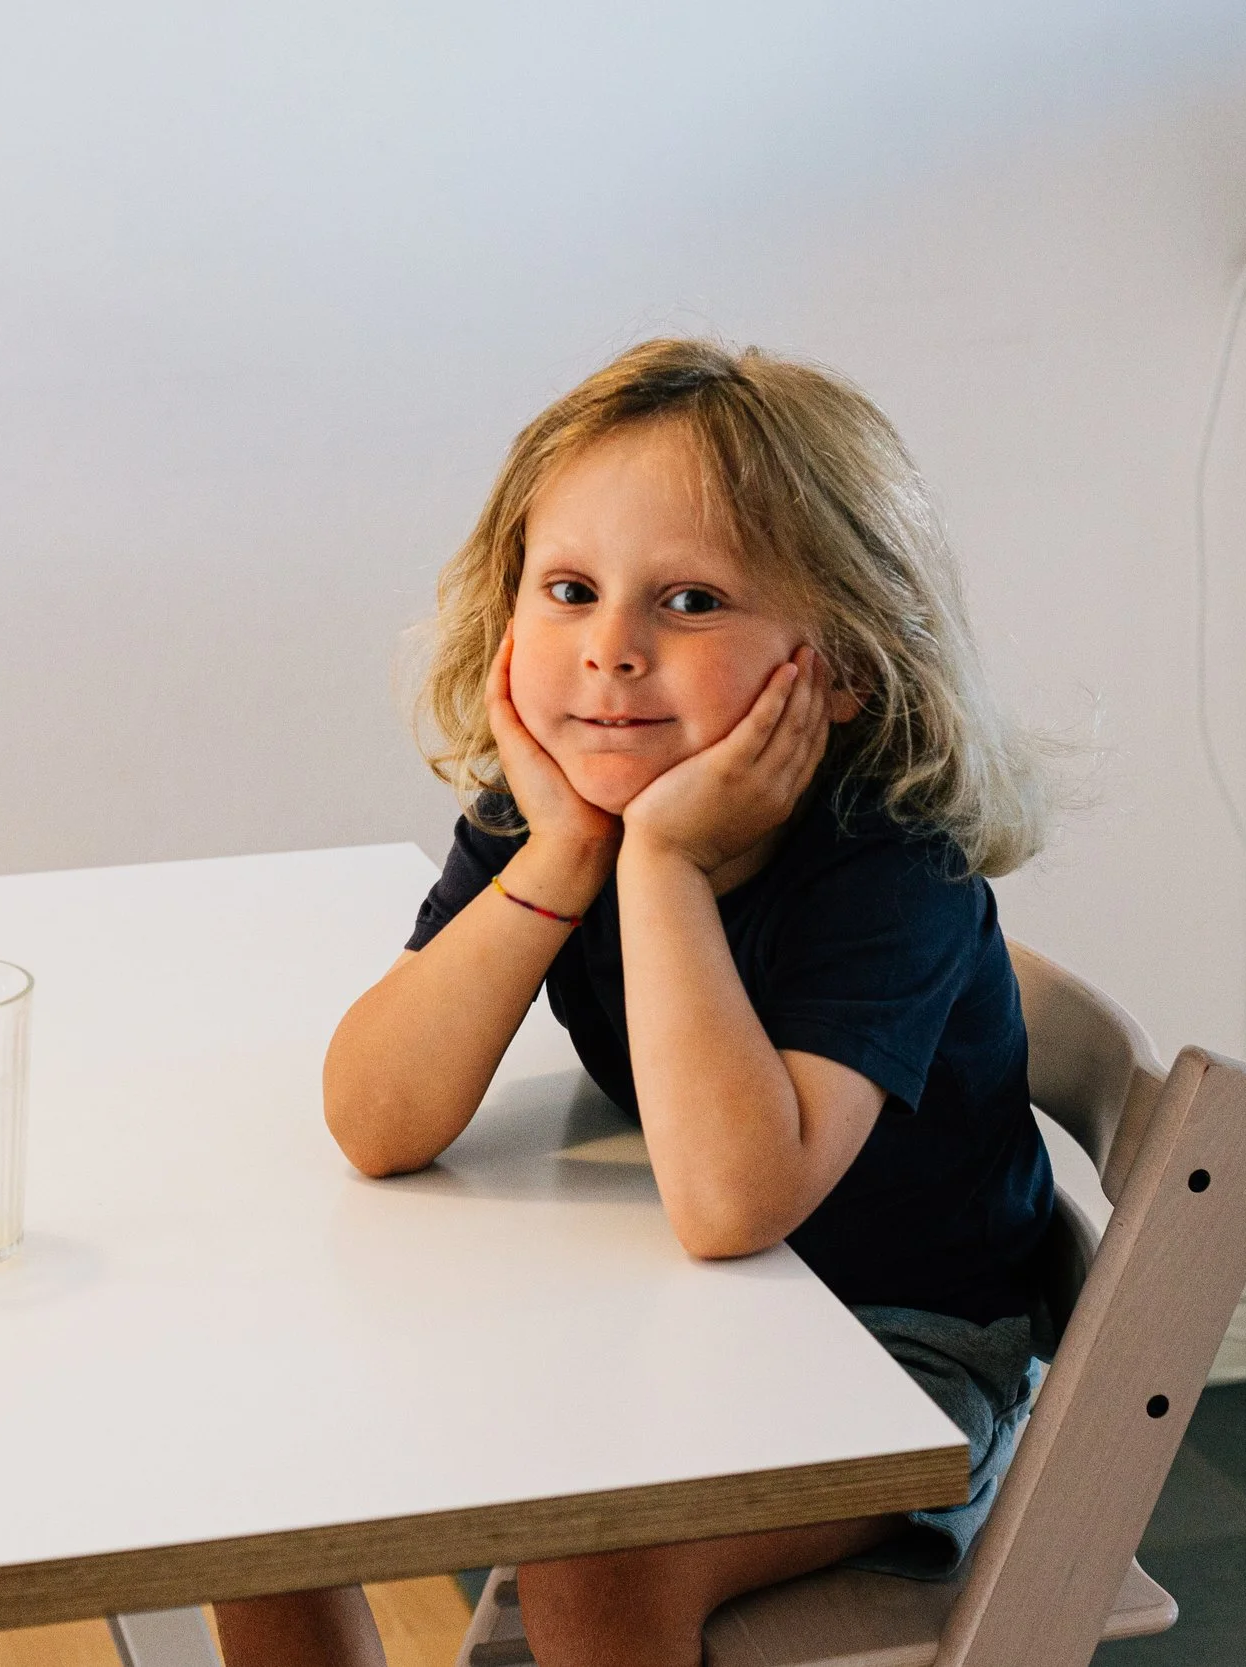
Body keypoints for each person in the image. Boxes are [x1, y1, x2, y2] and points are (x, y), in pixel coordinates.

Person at [215, 340, 1059, 1667]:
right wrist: (561, 855)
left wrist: (660, 864)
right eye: (570, 591)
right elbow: (375, 1118)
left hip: (901, 1359)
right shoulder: (552, 817)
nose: (611, 649)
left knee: (598, 1551)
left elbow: (731, 1205)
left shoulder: (893, 868)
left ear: (843, 664)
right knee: (264, 1465)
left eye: (690, 601)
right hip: (677, 1309)